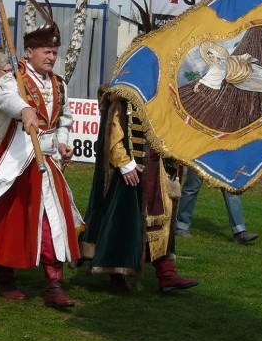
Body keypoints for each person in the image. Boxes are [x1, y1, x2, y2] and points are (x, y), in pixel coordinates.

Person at [0, 19, 84, 308]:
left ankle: (54, 284)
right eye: (46, 51)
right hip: (16, 159)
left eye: (54, 53)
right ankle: (6, 276)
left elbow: (63, 119)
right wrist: (24, 109)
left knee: (53, 219)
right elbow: (4, 98)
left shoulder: (59, 84)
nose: (51, 57)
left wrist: (62, 142)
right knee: (9, 218)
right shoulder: (13, 78)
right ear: (29, 52)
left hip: (47, 160)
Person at [80, 88, 199, 293]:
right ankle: (117, 272)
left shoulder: (166, 96)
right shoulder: (123, 94)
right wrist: (124, 163)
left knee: (162, 219)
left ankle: (166, 274)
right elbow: (113, 130)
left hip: (159, 169)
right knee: (126, 222)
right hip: (132, 170)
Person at [175, 167, 257, 244]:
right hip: (198, 153)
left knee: (231, 188)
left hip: (222, 154)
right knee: (192, 186)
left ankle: (240, 232)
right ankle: (181, 226)